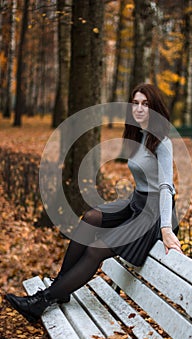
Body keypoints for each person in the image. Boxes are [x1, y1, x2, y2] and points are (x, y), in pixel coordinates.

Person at [5, 83, 182, 324]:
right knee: (90, 218)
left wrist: (166, 228)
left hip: (154, 215)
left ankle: (41, 301)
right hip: (137, 203)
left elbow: (165, 187)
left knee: (96, 248)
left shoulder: (163, 142)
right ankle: (61, 288)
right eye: (136, 103)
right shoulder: (138, 134)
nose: (139, 109)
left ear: (155, 109)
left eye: (146, 104)